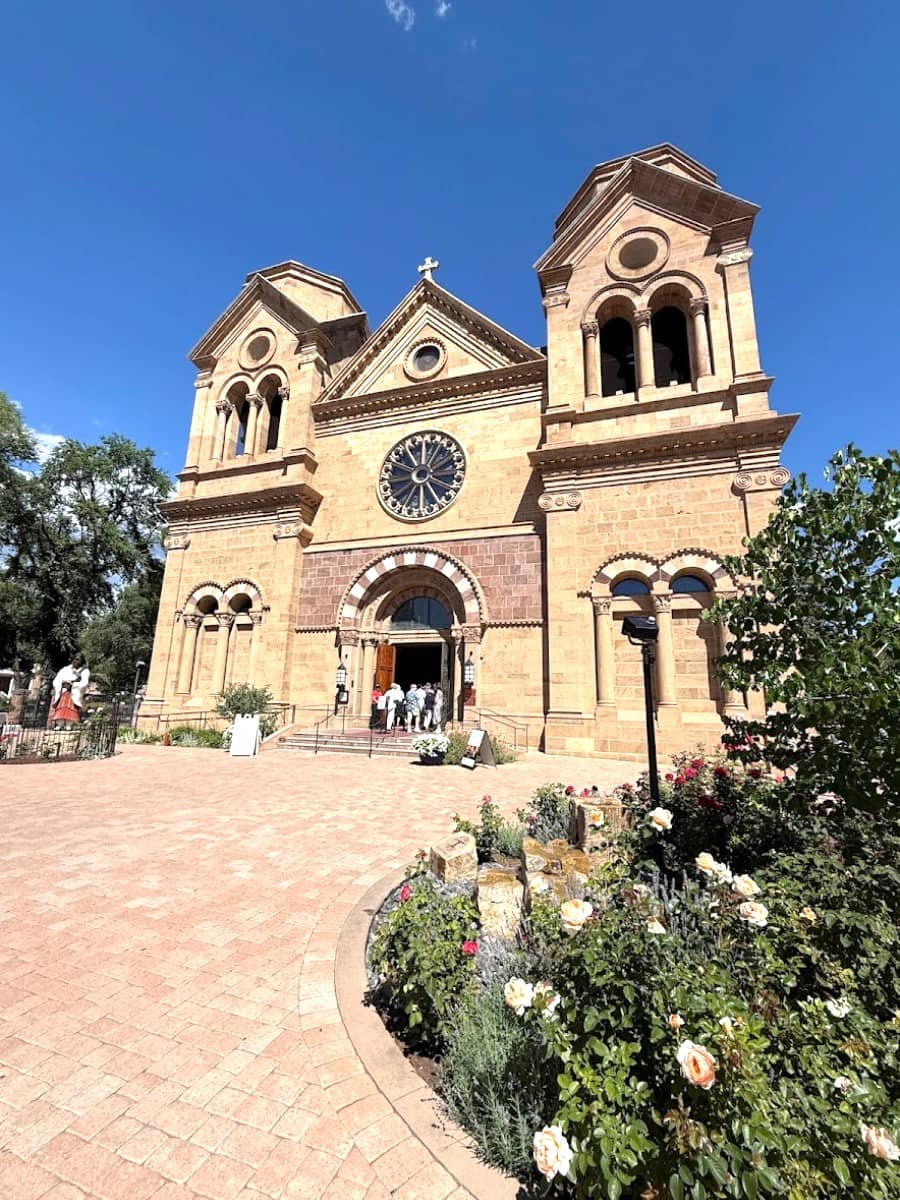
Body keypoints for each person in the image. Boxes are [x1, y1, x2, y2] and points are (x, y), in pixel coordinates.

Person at [49, 654, 90, 726]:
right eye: (75, 659)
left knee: (71, 709)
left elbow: (84, 683)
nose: (76, 661)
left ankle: (69, 725)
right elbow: (57, 680)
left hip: (74, 693)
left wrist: (72, 685)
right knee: (61, 708)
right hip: (63, 693)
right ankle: (60, 724)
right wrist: (62, 684)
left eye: (78, 660)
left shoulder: (85, 671)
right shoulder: (65, 669)